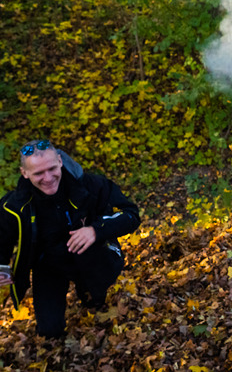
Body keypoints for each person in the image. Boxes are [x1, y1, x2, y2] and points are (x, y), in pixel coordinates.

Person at [0, 140, 140, 338]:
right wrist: (2, 268)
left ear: (59, 161)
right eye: (38, 173)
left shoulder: (90, 185)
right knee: (49, 331)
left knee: (99, 305)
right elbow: (2, 240)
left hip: (91, 254)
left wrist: (95, 230)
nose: (48, 178)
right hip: (48, 264)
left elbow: (131, 214)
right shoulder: (13, 206)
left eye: (51, 169)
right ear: (25, 173)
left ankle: (92, 294)